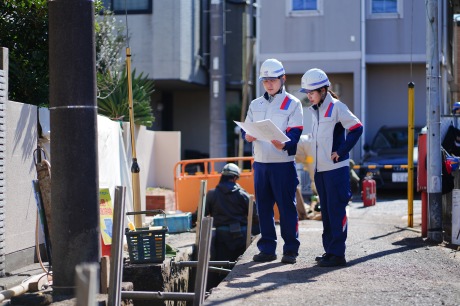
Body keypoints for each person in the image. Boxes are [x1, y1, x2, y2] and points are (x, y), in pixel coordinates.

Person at [242, 58, 303, 264]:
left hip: (283, 164)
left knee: (287, 209)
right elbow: (248, 128)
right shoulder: (255, 104)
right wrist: (247, 135)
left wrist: (285, 144)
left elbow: (295, 134)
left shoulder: (293, 104)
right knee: (264, 208)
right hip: (260, 164)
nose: (269, 84)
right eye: (265, 80)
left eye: (273, 80)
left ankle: (291, 250)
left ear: (283, 79)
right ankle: (267, 249)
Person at [300, 68, 363, 267]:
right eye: (307, 93)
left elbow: (357, 128)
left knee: (336, 212)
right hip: (321, 171)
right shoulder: (316, 110)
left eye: (312, 92)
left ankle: (338, 254)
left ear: (323, 90)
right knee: (326, 213)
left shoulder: (337, 107)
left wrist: (342, 151)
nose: (309, 96)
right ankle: (329, 251)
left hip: (336, 170)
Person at [204, 163, 259, 262]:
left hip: (221, 236)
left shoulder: (212, 194)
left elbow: (202, 214)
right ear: (235, 178)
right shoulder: (243, 194)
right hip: (242, 235)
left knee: (220, 264)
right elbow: (255, 216)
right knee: (240, 263)